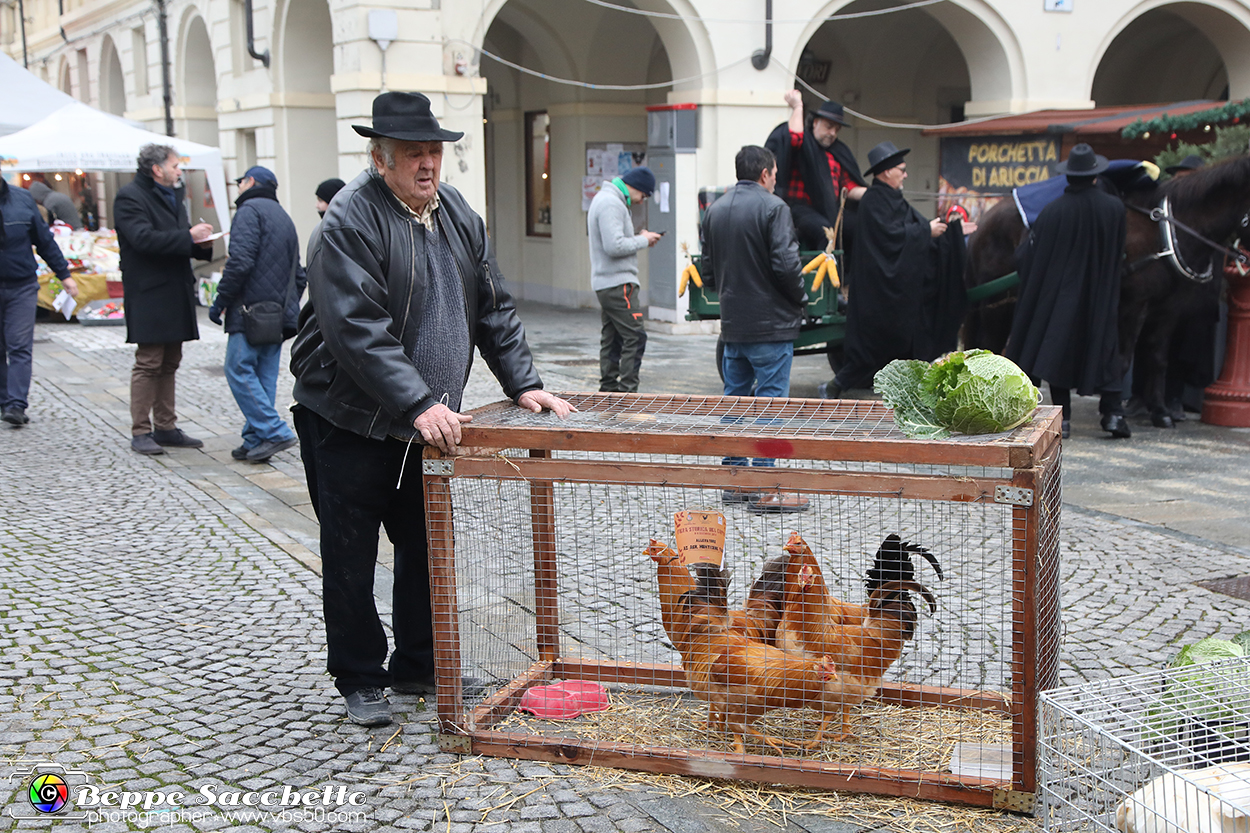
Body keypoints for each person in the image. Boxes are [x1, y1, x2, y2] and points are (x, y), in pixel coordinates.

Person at [289, 91, 575, 727]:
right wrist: (418, 401)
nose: (427, 164)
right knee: (351, 552)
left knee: (424, 547)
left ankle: (419, 664)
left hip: (422, 423)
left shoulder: (457, 215)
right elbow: (356, 328)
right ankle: (360, 677)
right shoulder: (347, 221)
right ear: (380, 158)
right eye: (413, 154)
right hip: (347, 419)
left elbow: (494, 305)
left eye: (434, 152)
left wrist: (523, 382)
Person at [700, 145, 809, 514]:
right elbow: (785, 264)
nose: (775, 180)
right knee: (771, 405)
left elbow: (708, 271)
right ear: (765, 174)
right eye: (775, 174)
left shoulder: (714, 210)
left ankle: (735, 482)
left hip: (733, 325)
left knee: (735, 401)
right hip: (771, 325)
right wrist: (800, 298)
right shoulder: (773, 207)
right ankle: (765, 487)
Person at [820, 141, 971, 398]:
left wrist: (948, 232)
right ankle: (835, 386)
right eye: (901, 169)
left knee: (897, 347)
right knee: (870, 351)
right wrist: (926, 231)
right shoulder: (874, 201)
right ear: (886, 172)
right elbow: (891, 238)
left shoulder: (893, 199)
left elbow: (914, 227)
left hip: (895, 293)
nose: (905, 174)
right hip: (878, 294)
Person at [1005, 143, 1129, 440]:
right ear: (1095, 176)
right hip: (1101, 295)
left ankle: (1066, 418)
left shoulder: (1052, 212)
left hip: (1060, 298)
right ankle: (1112, 414)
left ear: (1068, 177)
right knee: (1106, 347)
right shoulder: (1115, 209)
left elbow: (1029, 258)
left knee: (1058, 352)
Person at [113, 143, 216, 455]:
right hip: (149, 292)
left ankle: (166, 426)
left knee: (171, 360)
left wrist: (202, 242)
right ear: (157, 169)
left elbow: (178, 237)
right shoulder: (130, 197)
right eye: (174, 166)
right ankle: (141, 431)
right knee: (149, 361)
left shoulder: (172, 195)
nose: (179, 171)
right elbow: (143, 239)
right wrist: (189, 237)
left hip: (174, 288)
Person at [207, 166, 304, 463]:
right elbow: (299, 275)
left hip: (249, 312)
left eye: (239, 182)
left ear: (250, 183)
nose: (238, 188)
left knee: (238, 369)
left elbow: (239, 263)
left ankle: (274, 431)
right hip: (276, 315)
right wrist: (286, 306)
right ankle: (255, 438)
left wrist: (219, 301)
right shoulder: (283, 216)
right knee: (263, 378)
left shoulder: (248, 212)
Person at [0, 175, 77, 426]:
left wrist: (64, 274)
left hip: (21, 286)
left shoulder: (21, 199)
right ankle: (4, 401)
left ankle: (15, 404)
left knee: (19, 345)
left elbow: (44, 240)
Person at [586, 166, 662, 393]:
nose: (642, 201)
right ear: (636, 187)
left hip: (607, 283)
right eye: (644, 195)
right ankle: (627, 394)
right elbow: (614, 245)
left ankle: (608, 393)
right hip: (619, 285)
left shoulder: (605, 198)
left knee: (613, 338)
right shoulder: (612, 203)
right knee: (635, 336)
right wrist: (643, 240)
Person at [765, 91, 867, 254]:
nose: (833, 133)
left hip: (830, 210)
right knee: (825, 233)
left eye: (836, 129)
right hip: (798, 209)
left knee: (862, 227)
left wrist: (875, 193)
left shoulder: (838, 151)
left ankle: (848, 276)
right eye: (828, 127)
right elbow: (794, 137)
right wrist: (798, 107)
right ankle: (821, 278)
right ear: (815, 123)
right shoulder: (803, 143)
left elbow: (849, 187)